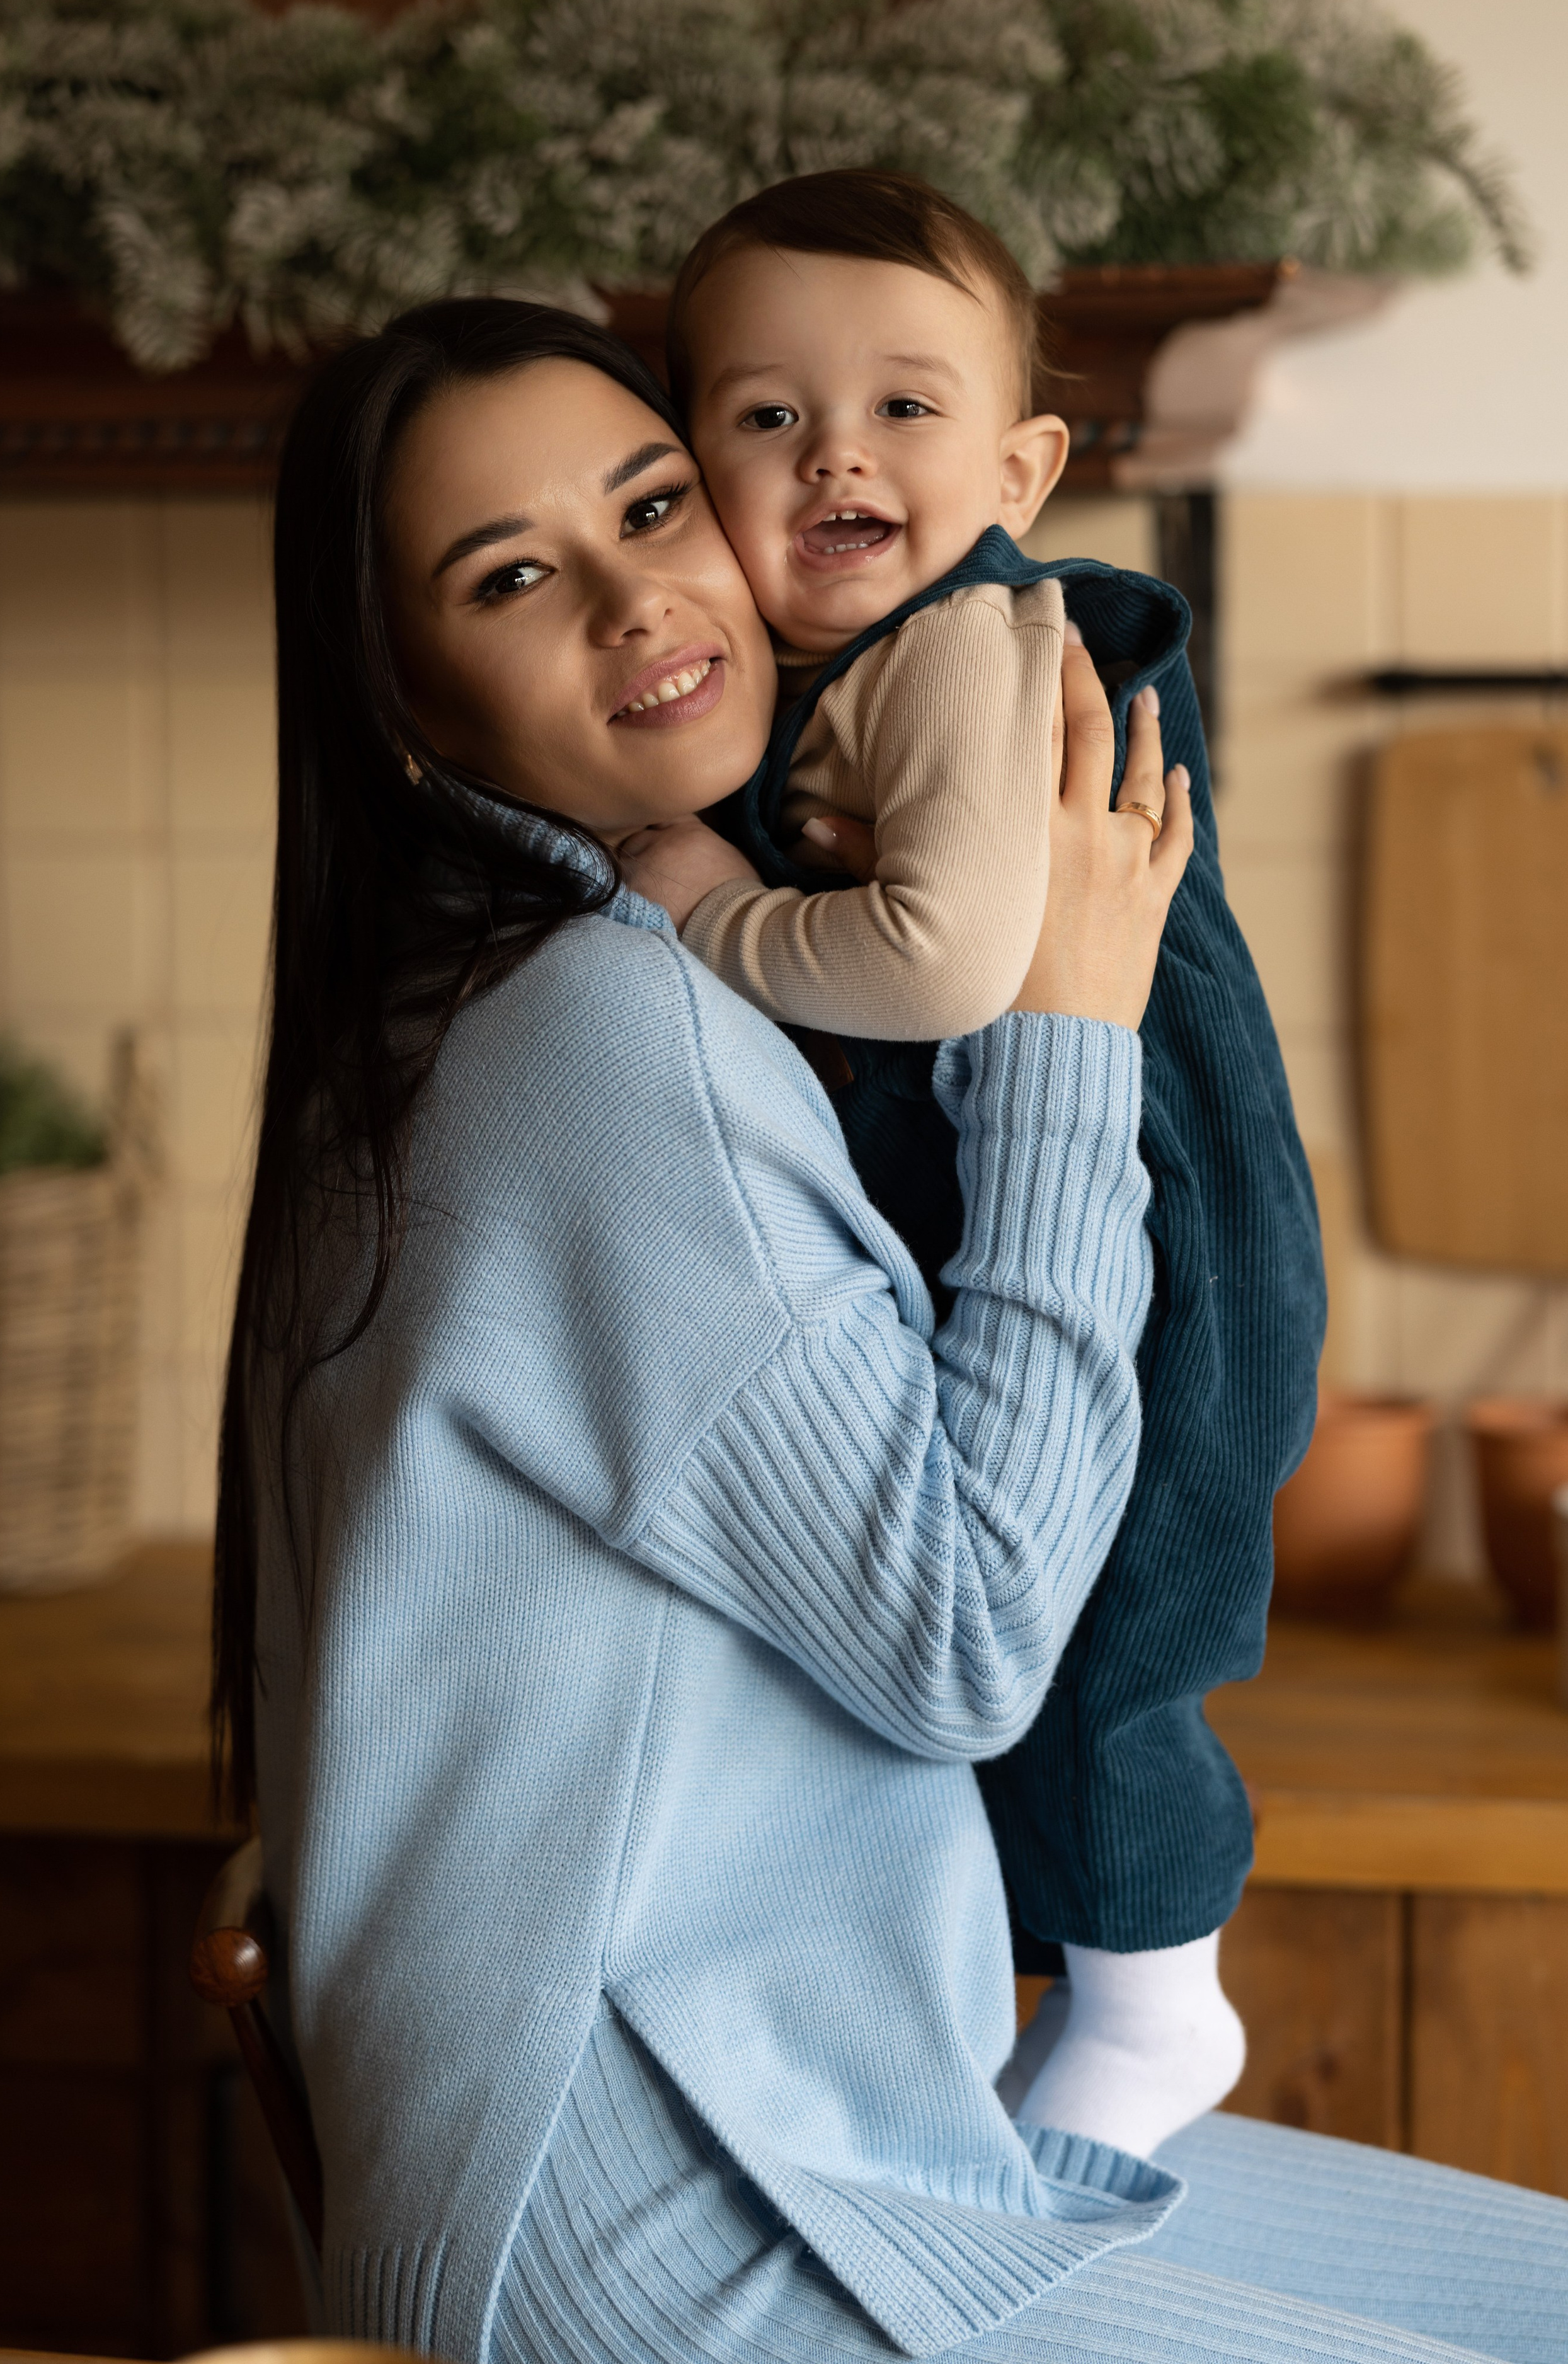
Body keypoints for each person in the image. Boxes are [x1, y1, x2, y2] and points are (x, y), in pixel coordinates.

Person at [215, 294, 1567, 2364]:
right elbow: (965, 1633)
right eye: (510, 576)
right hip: (663, 2227)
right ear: (408, 698)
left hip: (826, 2135)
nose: (635, 599)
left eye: (652, 503)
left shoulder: (482, 993)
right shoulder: (587, 1035)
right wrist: (1063, 1034)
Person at [621, 169, 1325, 2159]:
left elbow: (939, 966)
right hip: (1125, 1199)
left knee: (1114, 1633)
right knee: (1072, 1618)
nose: (835, 450)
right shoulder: (881, 663)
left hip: (1168, 1234)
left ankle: (1154, 2005)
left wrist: (707, 917)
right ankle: (1110, 1993)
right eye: (765, 418)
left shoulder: (956, 653)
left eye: (904, 410)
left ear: (1023, 462)